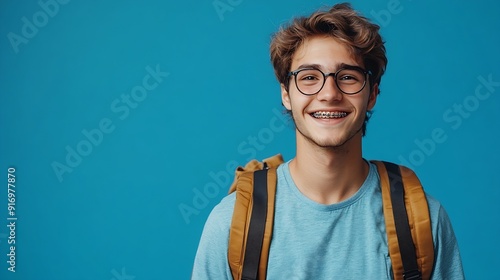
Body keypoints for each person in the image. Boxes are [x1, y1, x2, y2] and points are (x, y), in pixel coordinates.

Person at [192, 3, 464, 279]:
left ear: (372, 94)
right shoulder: (230, 223)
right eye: (309, 77)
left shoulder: (424, 221)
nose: (329, 93)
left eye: (347, 77)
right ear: (286, 94)